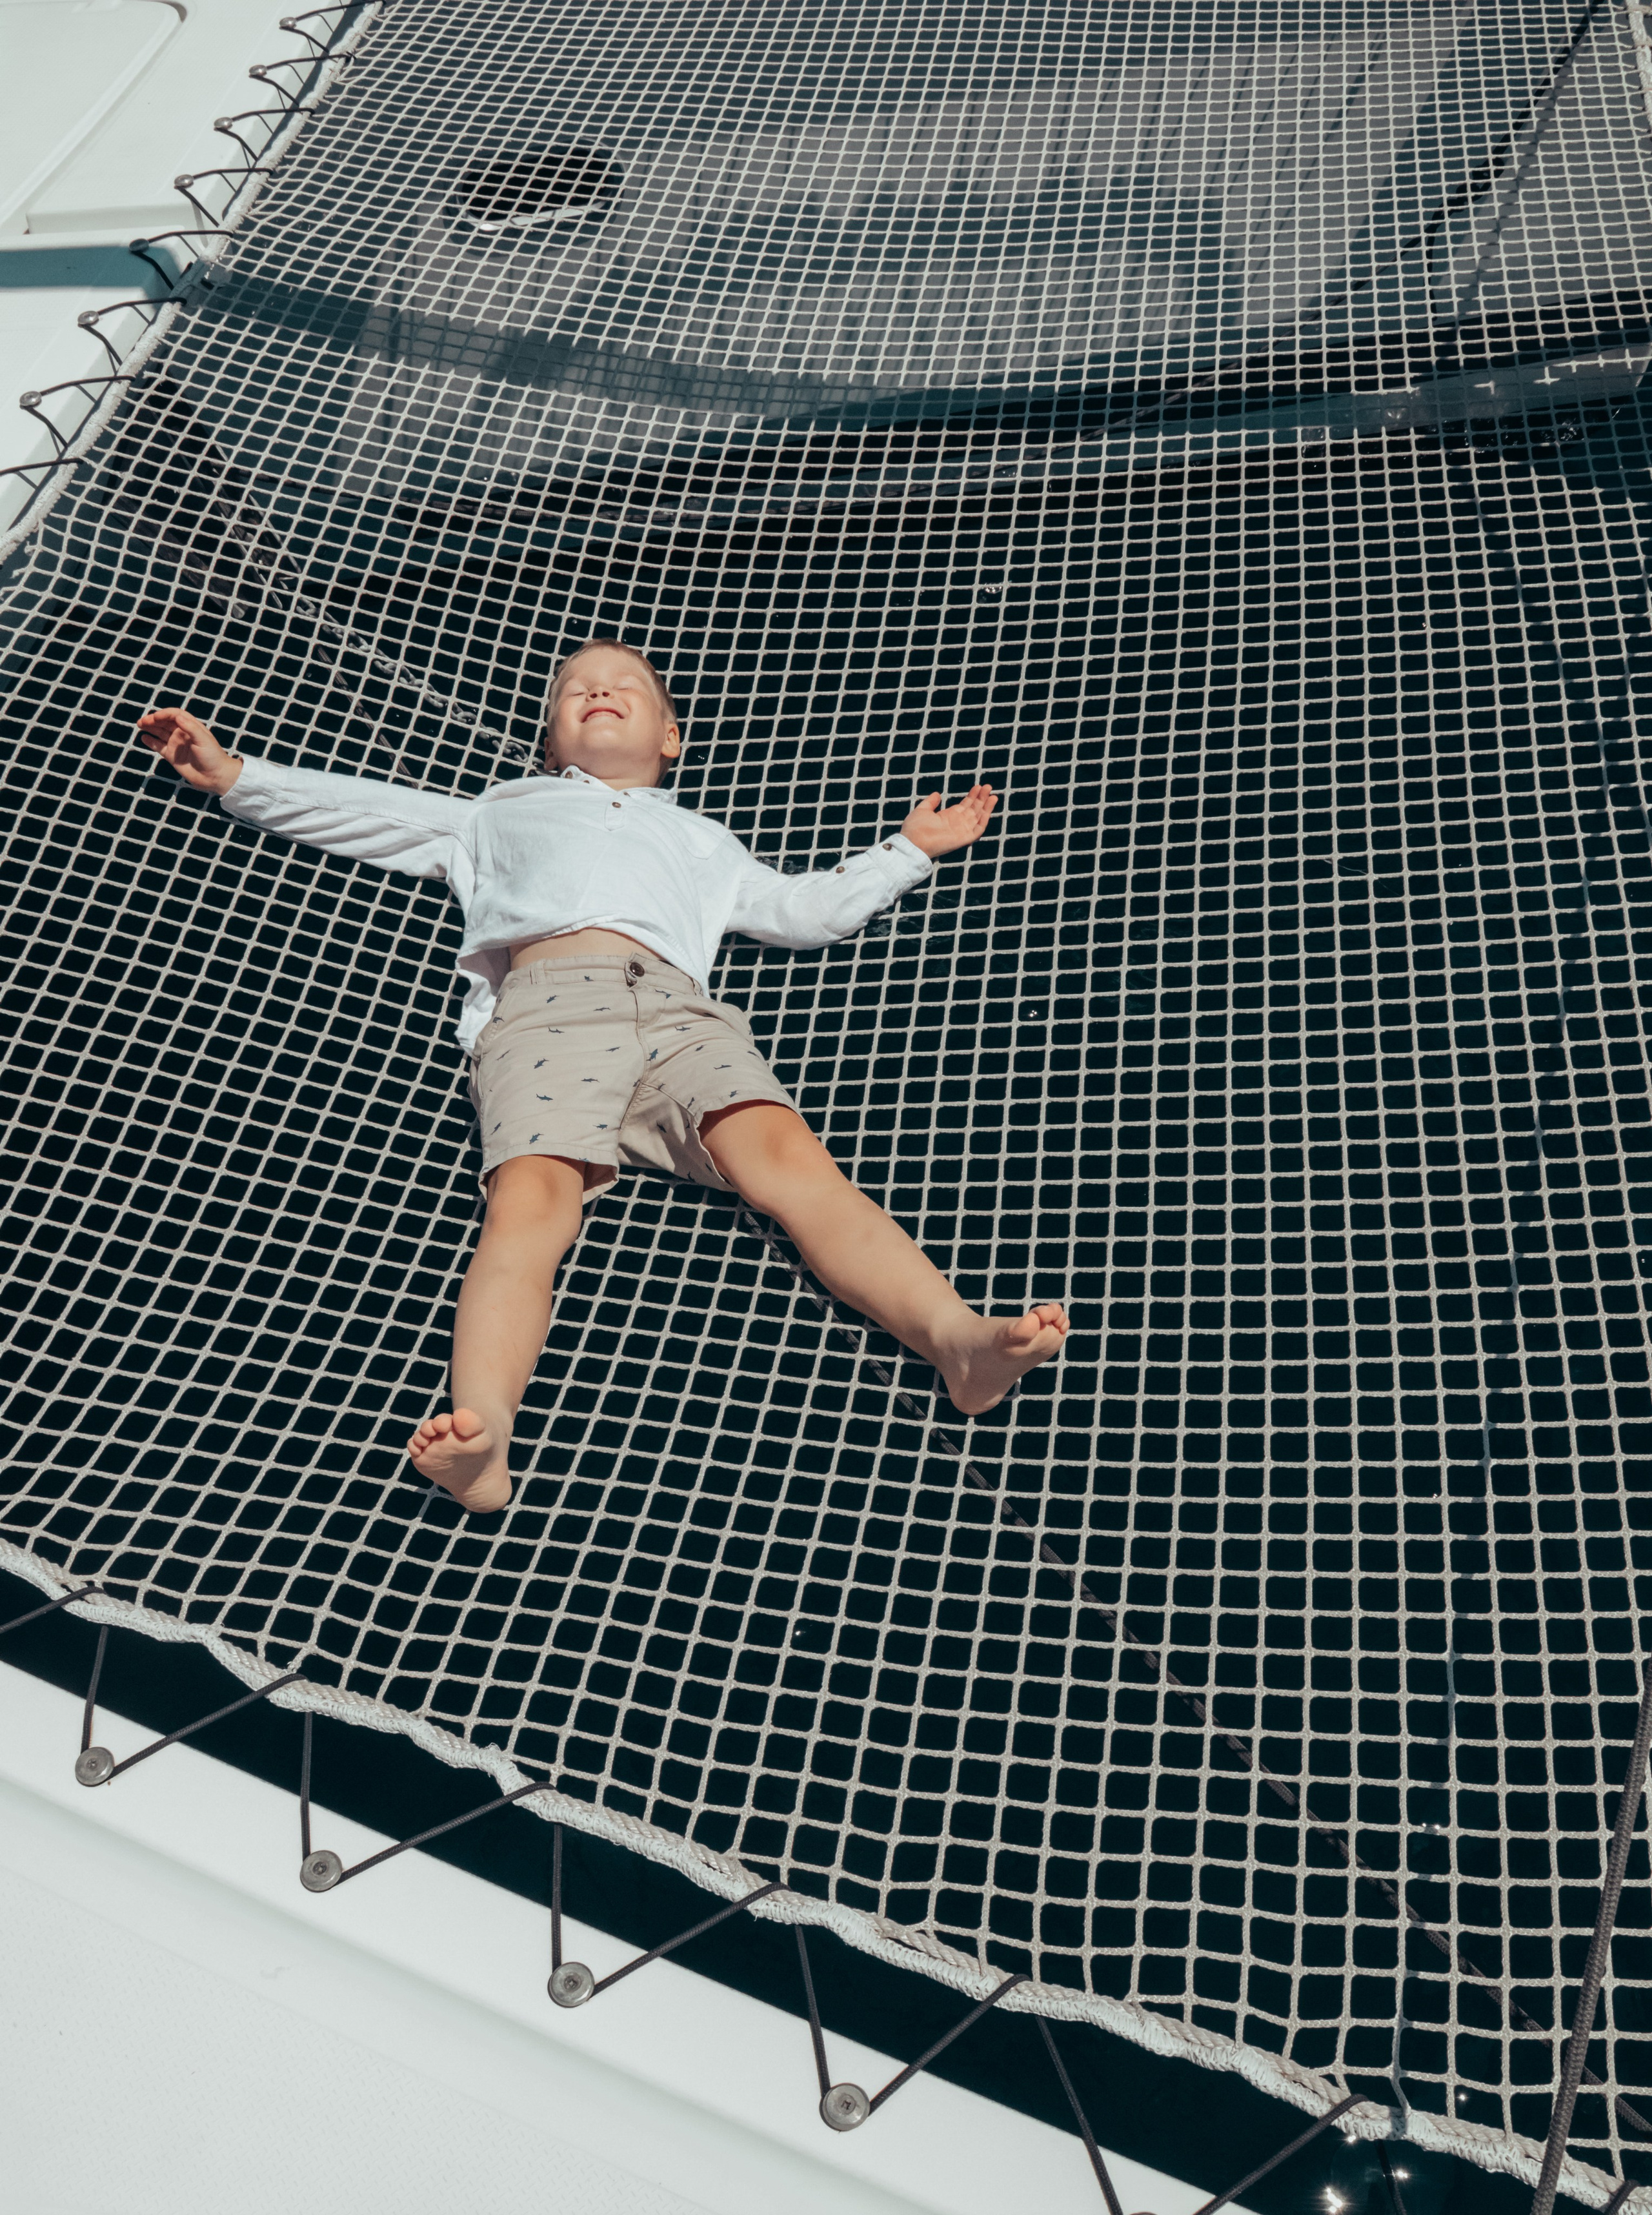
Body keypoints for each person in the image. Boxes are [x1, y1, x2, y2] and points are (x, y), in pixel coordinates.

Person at [136, 641, 1068, 1513]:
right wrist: (238, 778)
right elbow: (368, 808)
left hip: (676, 1009)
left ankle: (956, 1340)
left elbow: (798, 909)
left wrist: (905, 851)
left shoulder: (705, 840)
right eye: (576, 689)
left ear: (668, 736)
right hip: (547, 1009)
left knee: (795, 1165)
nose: (598, 691)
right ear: (552, 740)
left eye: (624, 685)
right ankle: (486, 1435)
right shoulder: (502, 810)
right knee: (530, 1207)